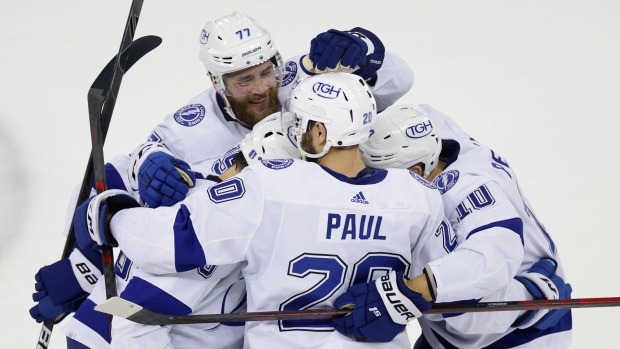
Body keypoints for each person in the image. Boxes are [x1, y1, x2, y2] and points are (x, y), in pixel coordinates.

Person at [30, 11, 416, 348]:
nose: (263, 88)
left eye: (267, 71)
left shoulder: (306, 80)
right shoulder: (193, 141)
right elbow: (111, 189)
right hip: (121, 329)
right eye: (244, 81)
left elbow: (394, 83)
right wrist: (86, 265)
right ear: (216, 81)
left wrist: (364, 48)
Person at [73, 72, 453, 349]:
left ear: (320, 133)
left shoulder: (271, 187)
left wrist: (112, 215)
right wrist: (413, 293)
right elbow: (455, 289)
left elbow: (164, 246)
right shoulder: (419, 195)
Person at [339, 104, 572, 348]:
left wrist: (534, 295)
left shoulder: (460, 196)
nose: (364, 178)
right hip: (459, 329)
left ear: (415, 171)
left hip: (517, 333)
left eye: (373, 171)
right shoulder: (431, 133)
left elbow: (487, 267)